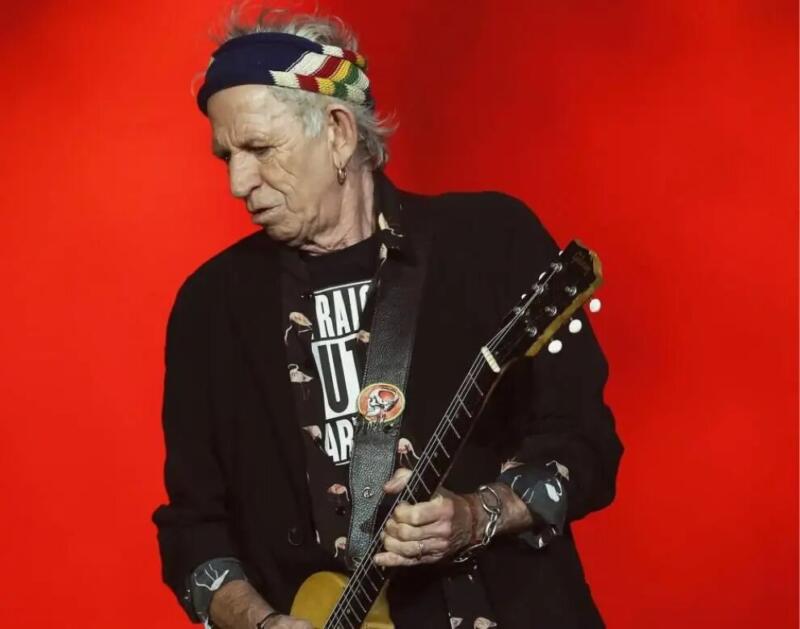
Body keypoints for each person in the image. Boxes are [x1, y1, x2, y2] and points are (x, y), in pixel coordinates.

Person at [152, 7, 623, 629]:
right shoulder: (210, 306)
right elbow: (193, 526)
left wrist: (479, 515)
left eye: (260, 149)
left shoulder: (490, 240)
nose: (239, 182)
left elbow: (584, 441)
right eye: (226, 156)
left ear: (339, 132)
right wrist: (258, 621)